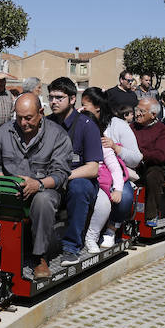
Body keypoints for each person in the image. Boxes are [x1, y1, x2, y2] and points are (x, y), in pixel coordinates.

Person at [0, 93, 73, 279]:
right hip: (10, 189)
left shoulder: (58, 136)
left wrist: (37, 184)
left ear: (41, 113)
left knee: (43, 200)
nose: (23, 123)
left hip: (43, 190)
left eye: (28, 118)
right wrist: (0, 177)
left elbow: (61, 175)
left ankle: (39, 257)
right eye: (19, 117)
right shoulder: (4, 132)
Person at [48, 77, 102, 266]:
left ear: (72, 99)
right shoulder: (45, 124)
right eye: (51, 97)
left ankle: (71, 248)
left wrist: (62, 177)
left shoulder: (87, 126)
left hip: (78, 180)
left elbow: (93, 168)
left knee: (78, 188)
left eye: (59, 97)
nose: (53, 101)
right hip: (50, 179)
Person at [82, 87, 138, 249]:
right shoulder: (82, 120)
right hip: (90, 173)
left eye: (85, 104)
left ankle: (111, 229)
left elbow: (136, 158)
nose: (82, 107)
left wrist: (115, 147)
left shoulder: (117, 125)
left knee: (125, 196)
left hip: (113, 174)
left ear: (98, 106)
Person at [131, 97, 165, 226]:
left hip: (153, 166)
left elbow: (161, 155)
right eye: (137, 110)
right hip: (133, 164)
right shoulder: (132, 127)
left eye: (141, 111)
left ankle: (151, 215)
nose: (137, 114)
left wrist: (141, 154)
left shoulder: (162, 129)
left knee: (152, 176)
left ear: (153, 115)